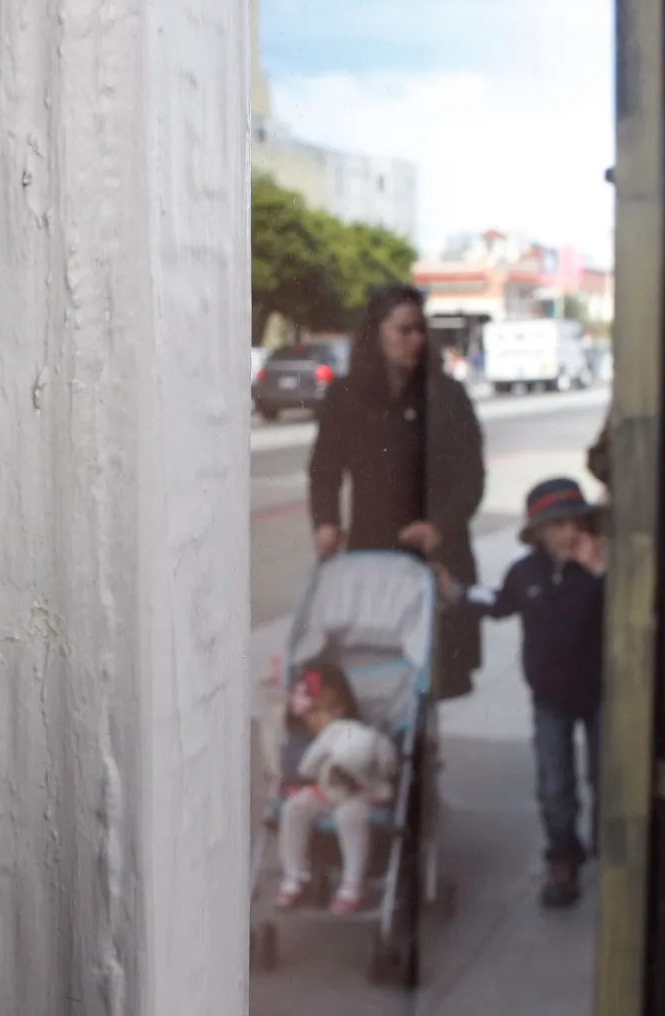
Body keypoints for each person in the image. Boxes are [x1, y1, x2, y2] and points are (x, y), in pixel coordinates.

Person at [308, 283, 487, 699]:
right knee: (372, 680)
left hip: (437, 557)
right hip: (373, 558)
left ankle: (424, 761)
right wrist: (326, 523)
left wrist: (439, 525)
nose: (416, 340)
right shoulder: (345, 397)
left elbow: (471, 478)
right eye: (404, 330)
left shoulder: (447, 396)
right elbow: (324, 470)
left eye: (420, 330)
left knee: (430, 688)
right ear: (376, 334)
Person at [436, 477, 606, 909]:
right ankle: (563, 855)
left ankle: (610, 843)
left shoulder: (596, 567)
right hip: (549, 695)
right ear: (538, 532)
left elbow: (625, 607)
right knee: (555, 784)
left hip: (600, 690)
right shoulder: (524, 571)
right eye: (557, 525)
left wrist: (601, 571)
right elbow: (497, 603)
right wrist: (455, 594)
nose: (568, 533)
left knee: (606, 775)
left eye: (574, 523)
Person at [275, 659, 398, 915]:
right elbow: (304, 769)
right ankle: (295, 875)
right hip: (324, 790)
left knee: (349, 815)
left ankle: (353, 884)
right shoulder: (307, 737)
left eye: (330, 710)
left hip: (358, 792)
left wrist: (386, 769)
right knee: (294, 809)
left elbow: (387, 759)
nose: (321, 718)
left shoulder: (360, 732)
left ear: (342, 709)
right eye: (314, 711)